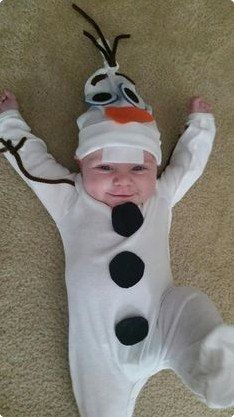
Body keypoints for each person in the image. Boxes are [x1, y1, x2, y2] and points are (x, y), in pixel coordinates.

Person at [0, 6, 233, 417]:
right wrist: (9, 124)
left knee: (191, 308)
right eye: (105, 167)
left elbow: (187, 168)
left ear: (154, 168)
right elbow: (32, 166)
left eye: (139, 168)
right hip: (101, 350)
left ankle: (217, 370)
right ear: (81, 164)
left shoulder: (158, 195)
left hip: (165, 321)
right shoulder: (72, 198)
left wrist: (200, 129)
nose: (122, 181)